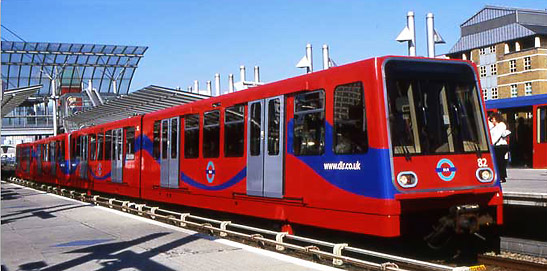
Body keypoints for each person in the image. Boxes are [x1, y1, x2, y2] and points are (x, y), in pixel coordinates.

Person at [489, 113, 510, 182]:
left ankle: (502, 177)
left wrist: (491, 143)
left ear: (496, 118)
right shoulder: (494, 126)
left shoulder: (501, 125)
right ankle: (500, 176)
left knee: (500, 161)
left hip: (500, 146)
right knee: (498, 161)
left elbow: (496, 136)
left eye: (493, 119)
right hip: (496, 146)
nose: (492, 120)